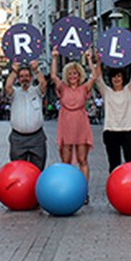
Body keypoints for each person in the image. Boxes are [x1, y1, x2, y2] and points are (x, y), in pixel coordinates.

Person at [50, 48, 98, 202]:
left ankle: (83, 192)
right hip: (65, 124)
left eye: (75, 73)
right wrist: (55, 58)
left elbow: (95, 76)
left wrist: (89, 59)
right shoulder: (62, 88)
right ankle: (68, 190)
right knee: (66, 161)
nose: (72, 76)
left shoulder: (84, 88)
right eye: (70, 74)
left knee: (83, 160)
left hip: (80, 124)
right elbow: (52, 76)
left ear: (79, 75)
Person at [93, 57, 131, 172]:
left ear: (123, 78)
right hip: (111, 131)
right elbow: (98, 79)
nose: (116, 79)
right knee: (114, 163)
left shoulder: (129, 90)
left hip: (129, 130)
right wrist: (98, 62)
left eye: (119, 76)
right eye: (114, 76)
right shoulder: (107, 92)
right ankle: (115, 187)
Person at [4, 60, 48, 170]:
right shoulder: (14, 93)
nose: (25, 78)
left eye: (27, 76)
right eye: (22, 76)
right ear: (18, 79)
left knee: (37, 170)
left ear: (31, 78)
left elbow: (43, 84)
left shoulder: (37, 91)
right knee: (18, 171)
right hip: (18, 139)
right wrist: (14, 72)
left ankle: (36, 188)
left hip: (37, 138)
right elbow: (8, 86)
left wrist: (36, 70)